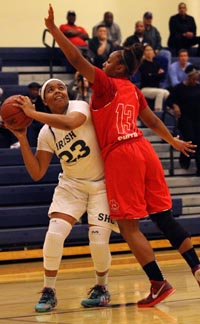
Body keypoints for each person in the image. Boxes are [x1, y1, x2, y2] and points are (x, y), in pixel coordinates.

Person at [43, 5, 200, 308]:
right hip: (145, 150)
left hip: (121, 154)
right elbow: (153, 121)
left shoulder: (105, 83)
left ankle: (158, 283)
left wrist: (54, 31)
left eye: (111, 59)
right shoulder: (132, 88)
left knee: (129, 227)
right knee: (163, 216)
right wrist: (173, 141)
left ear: (117, 68)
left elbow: (76, 59)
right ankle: (195, 265)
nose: (106, 59)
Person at [6, 78, 119, 312]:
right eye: (51, 90)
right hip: (72, 186)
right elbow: (37, 172)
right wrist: (22, 138)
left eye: (61, 88)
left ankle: (101, 287)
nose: (58, 91)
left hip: (102, 184)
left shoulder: (80, 107)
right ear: (45, 100)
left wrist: (32, 113)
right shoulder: (46, 133)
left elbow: (70, 123)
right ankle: (49, 291)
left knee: (98, 240)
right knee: (55, 234)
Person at [167, 64, 200, 175]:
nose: (194, 81)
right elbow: (169, 101)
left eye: (196, 78)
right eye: (193, 78)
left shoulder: (198, 87)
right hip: (185, 118)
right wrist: (175, 106)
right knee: (190, 138)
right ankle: (185, 160)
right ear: (188, 77)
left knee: (198, 140)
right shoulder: (179, 88)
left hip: (197, 118)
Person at [139, 44, 169, 111]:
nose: (149, 52)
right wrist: (156, 75)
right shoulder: (143, 64)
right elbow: (147, 78)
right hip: (145, 88)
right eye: (147, 50)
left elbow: (162, 76)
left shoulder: (156, 64)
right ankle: (158, 112)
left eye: (150, 50)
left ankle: (168, 111)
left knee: (167, 93)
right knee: (160, 93)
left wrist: (153, 75)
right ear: (144, 53)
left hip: (156, 87)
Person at [26, 82, 48, 147]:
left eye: (37, 90)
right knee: (30, 127)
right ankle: (32, 147)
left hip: (39, 120)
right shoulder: (24, 99)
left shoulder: (41, 99)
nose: (35, 92)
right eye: (33, 90)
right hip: (27, 121)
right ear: (29, 90)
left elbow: (45, 112)